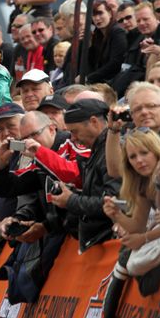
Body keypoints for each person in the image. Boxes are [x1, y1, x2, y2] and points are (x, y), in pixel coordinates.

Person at [101, 129, 160, 318]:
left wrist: (145, 238)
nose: (139, 160)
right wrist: (115, 215)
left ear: (156, 151)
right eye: (132, 157)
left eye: (144, 153)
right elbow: (138, 226)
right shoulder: (142, 183)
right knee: (132, 263)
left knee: (135, 263)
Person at [52, 99, 120, 251]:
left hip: (108, 243)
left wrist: (71, 200)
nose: (73, 138)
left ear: (94, 122)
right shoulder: (97, 151)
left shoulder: (112, 153)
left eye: (75, 131)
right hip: (96, 243)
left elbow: (114, 202)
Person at [86, 0, 127, 84]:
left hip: (112, 82)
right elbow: (92, 63)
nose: (97, 18)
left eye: (100, 13)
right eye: (94, 15)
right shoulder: (97, 35)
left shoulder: (117, 32)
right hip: (101, 81)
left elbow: (116, 63)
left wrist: (89, 78)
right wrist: (88, 46)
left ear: (110, 14)